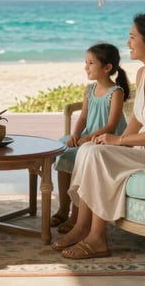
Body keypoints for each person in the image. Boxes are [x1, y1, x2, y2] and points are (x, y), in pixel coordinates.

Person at [51, 12, 145, 259]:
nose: (128, 43)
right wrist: (117, 145)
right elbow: (138, 118)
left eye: (132, 37)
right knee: (89, 150)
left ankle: (96, 239)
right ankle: (81, 226)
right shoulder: (143, 74)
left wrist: (118, 141)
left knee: (98, 155)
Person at [52, 43, 130, 235]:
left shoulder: (116, 92)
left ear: (107, 68)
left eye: (91, 63)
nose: (86, 67)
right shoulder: (89, 90)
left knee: (80, 158)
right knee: (63, 153)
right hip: (88, 137)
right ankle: (63, 209)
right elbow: (83, 117)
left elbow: (111, 126)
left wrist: (88, 138)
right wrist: (75, 135)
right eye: (85, 62)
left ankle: (76, 217)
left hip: (106, 139)